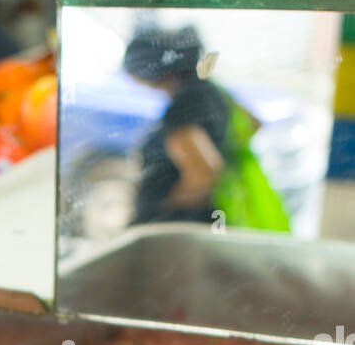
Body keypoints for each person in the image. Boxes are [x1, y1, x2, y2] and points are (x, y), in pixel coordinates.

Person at [123, 24, 290, 230]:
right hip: (208, 224)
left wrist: (163, 207)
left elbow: (205, 172)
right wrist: (223, 145)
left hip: (183, 229)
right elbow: (253, 124)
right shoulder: (213, 92)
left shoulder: (184, 107)